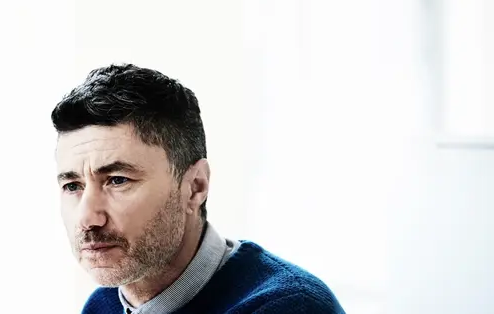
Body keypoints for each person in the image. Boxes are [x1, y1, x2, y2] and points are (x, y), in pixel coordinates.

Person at [52, 64, 345, 314]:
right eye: (72, 185)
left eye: (118, 180)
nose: (88, 217)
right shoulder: (105, 304)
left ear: (195, 187)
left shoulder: (289, 307)